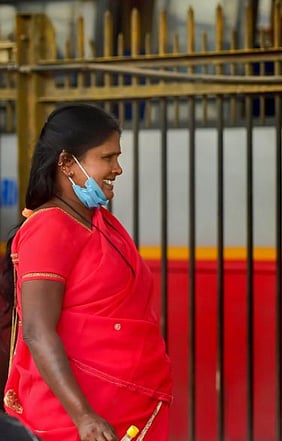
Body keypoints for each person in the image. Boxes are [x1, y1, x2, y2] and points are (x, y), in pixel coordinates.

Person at [0, 104, 173, 441]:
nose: (118, 169)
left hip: (126, 409)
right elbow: (37, 331)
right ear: (67, 163)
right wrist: (85, 417)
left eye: (117, 157)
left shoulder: (99, 222)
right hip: (78, 421)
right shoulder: (50, 228)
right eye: (107, 158)